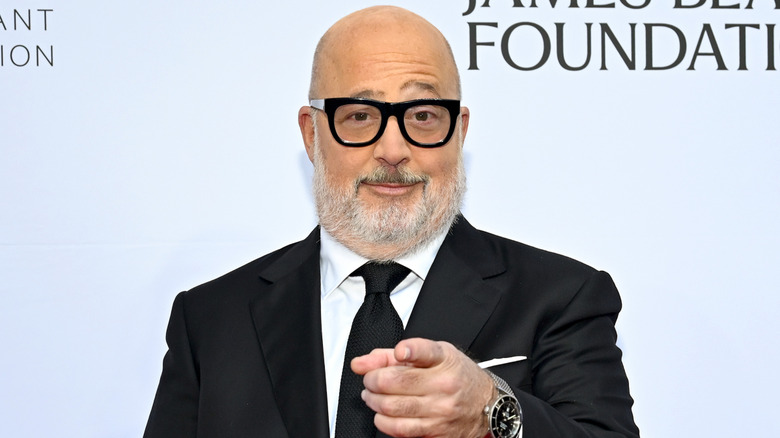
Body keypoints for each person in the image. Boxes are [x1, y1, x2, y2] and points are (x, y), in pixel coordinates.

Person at [143, 6, 639, 438]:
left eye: (423, 115)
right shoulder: (211, 319)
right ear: (311, 135)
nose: (394, 150)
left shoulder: (561, 297)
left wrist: (492, 411)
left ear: (459, 132)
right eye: (359, 116)